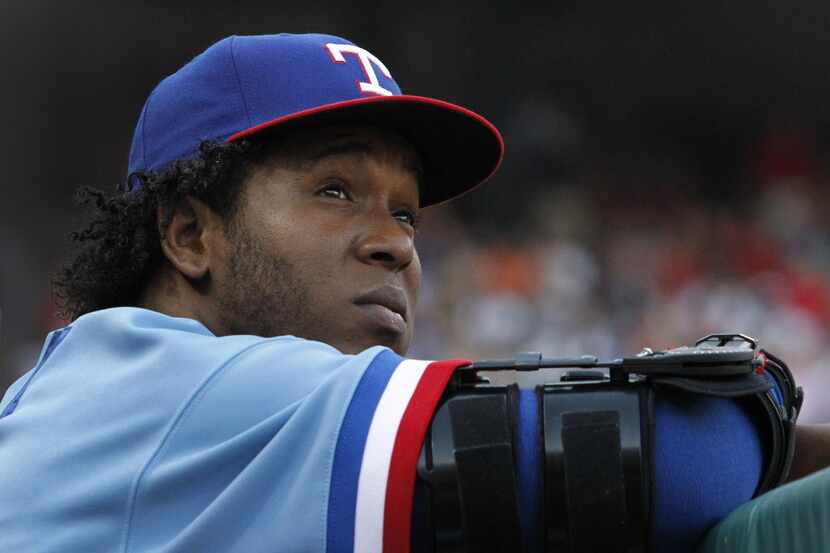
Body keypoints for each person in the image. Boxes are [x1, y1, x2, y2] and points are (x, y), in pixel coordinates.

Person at [0, 32, 828, 553]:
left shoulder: (99, 400)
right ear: (189, 235)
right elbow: (654, 460)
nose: (394, 240)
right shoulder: (175, 387)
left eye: (407, 211)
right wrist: (768, 402)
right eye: (334, 189)